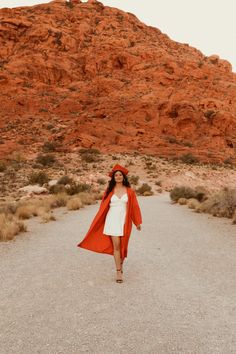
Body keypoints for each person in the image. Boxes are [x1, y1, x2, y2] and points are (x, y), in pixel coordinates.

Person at [77, 164, 142, 283]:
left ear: (123, 177)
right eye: (116, 175)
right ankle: (118, 272)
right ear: (113, 178)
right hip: (112, 221)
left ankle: (120, 265)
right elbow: (103, 207)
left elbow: (134, 207)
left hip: (124, 221)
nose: (118, 177)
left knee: (123, 247)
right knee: (116, 247)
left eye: (120, 175)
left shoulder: (130, 192)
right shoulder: (109, 191)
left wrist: (137, 222)